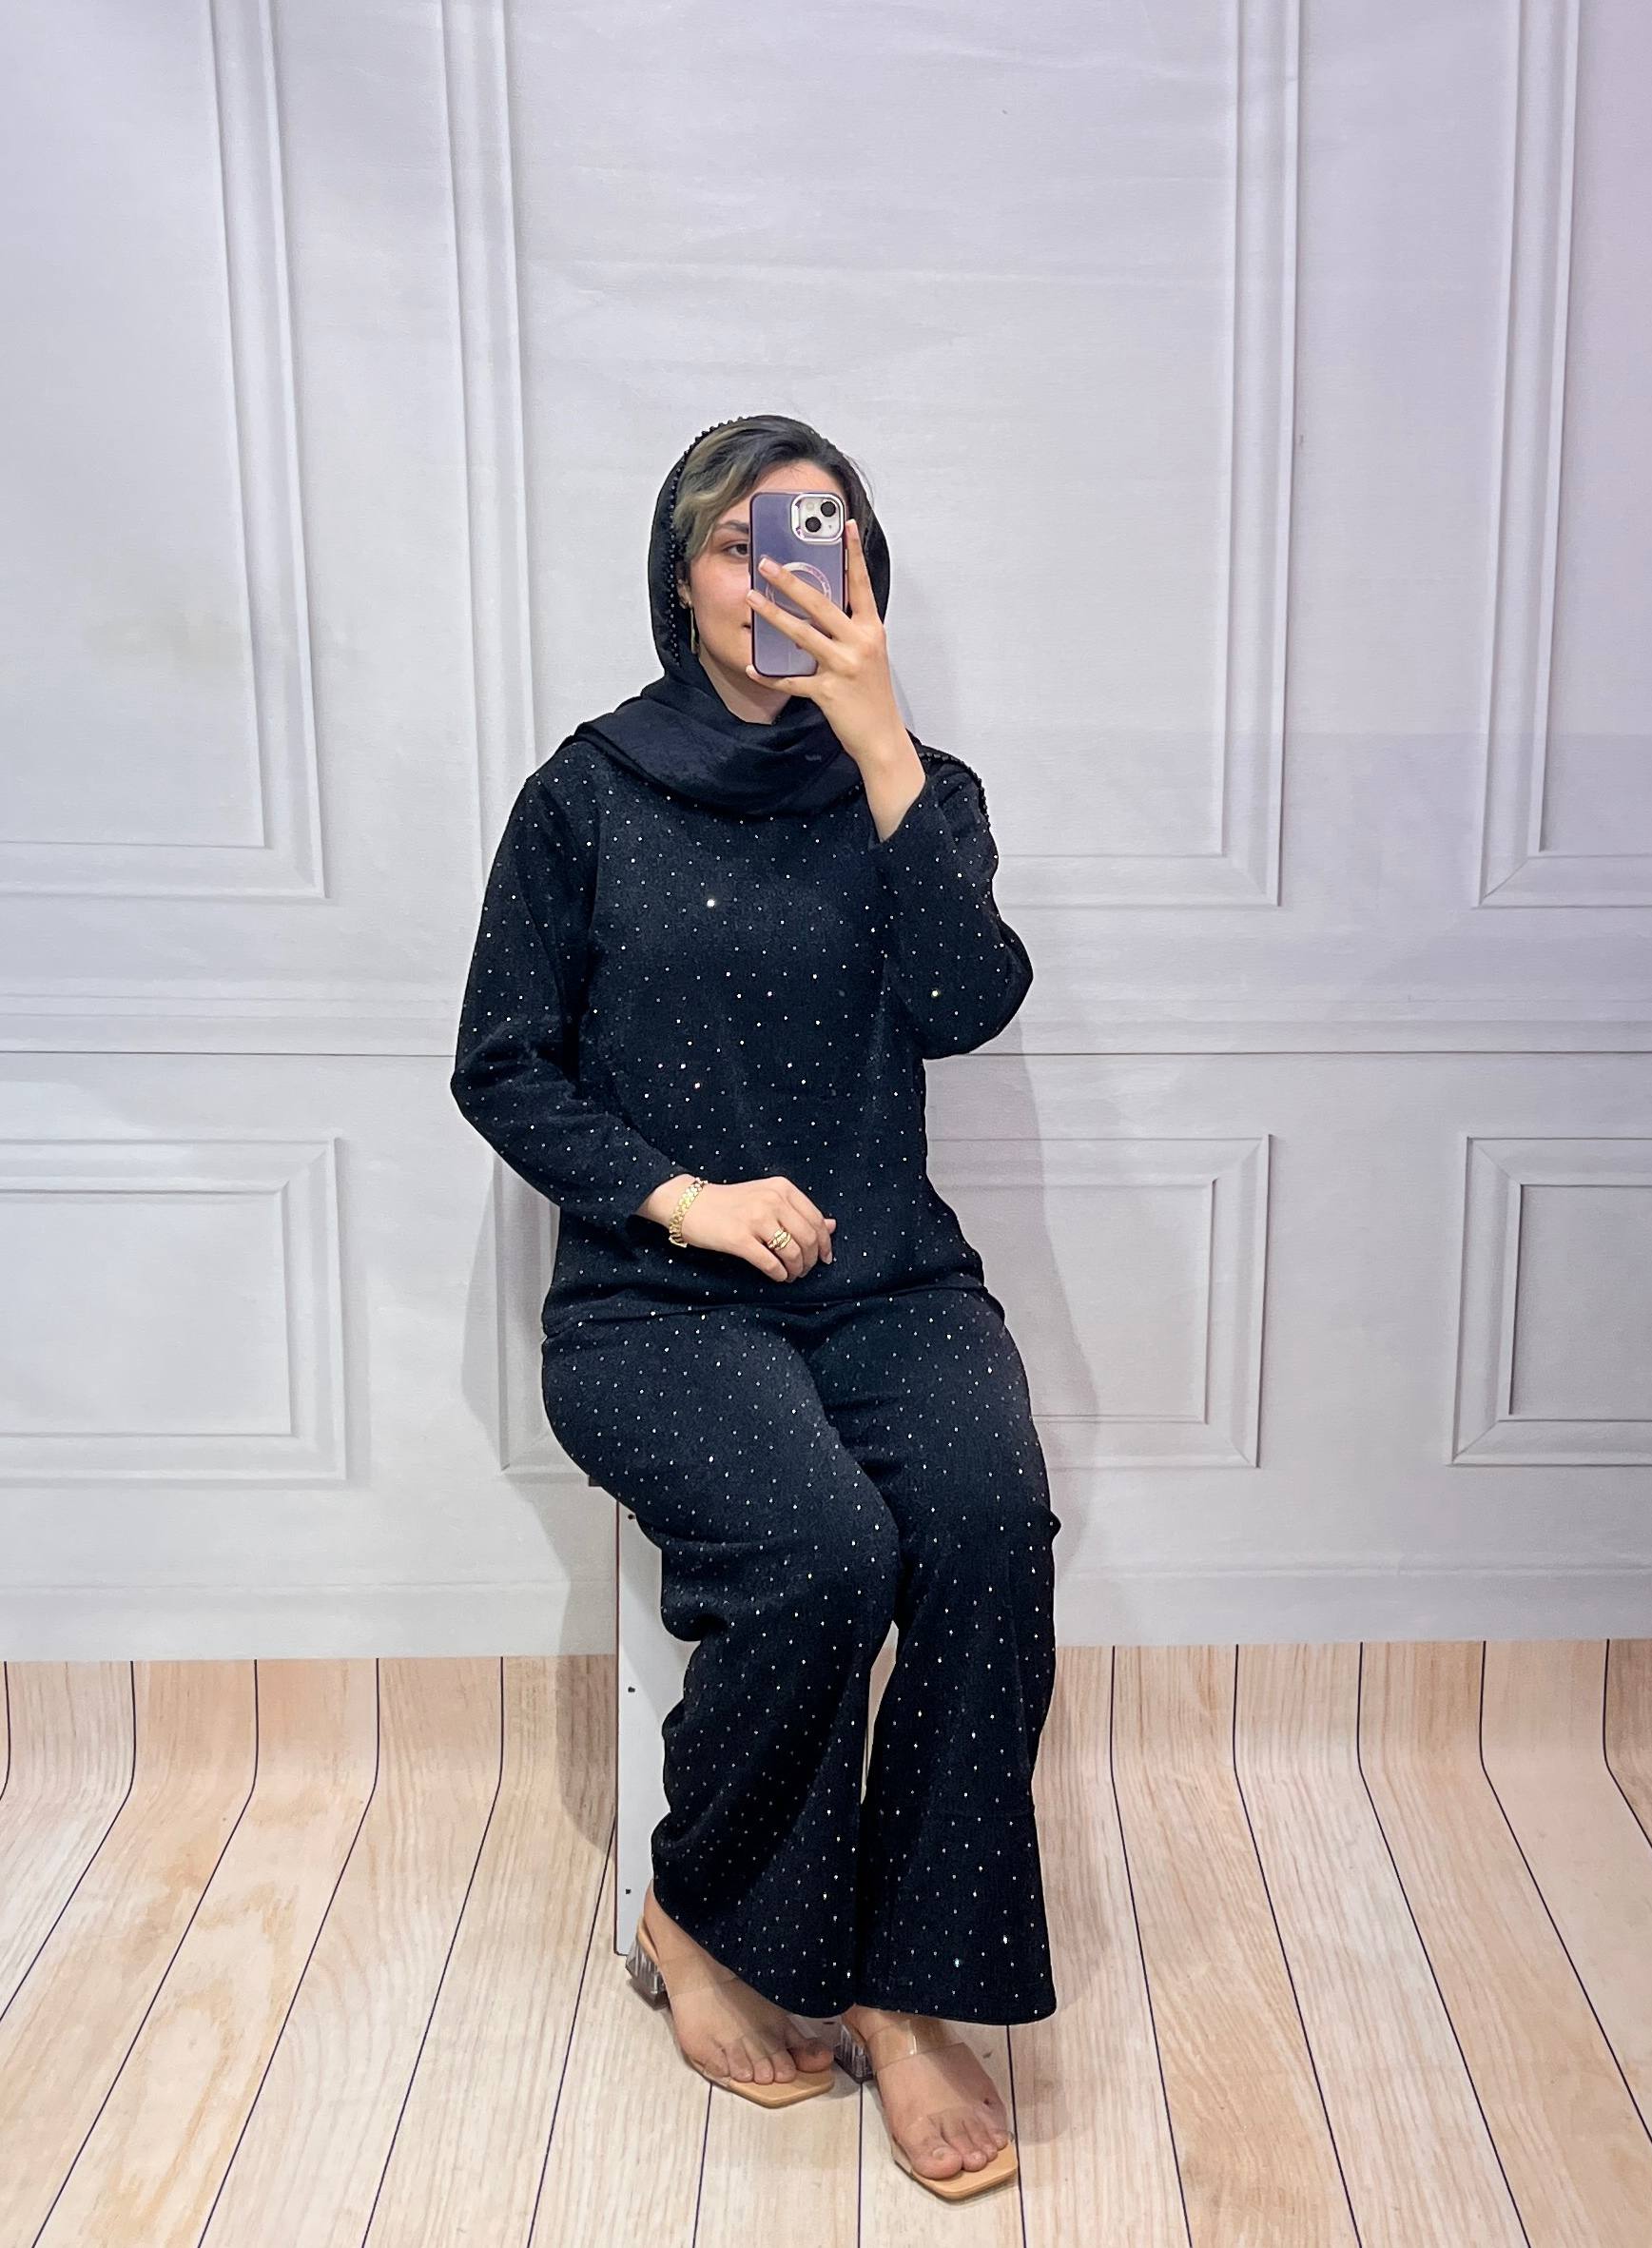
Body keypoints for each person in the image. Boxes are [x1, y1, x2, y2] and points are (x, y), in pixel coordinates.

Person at [450, 414, 1060, 2199]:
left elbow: (963, 1005)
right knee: (821, 1553)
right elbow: (502, 1063)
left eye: (820, 535)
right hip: (659, 1301)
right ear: (683, 575)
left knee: (985, 1524)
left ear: (865, 570)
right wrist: (685, 1198)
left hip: (889, 1284)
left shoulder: (915, 786)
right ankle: (701, 1910)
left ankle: (903, 1985)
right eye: (741, 541)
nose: (780, 572)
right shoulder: (586, 794)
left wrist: (882, 749)